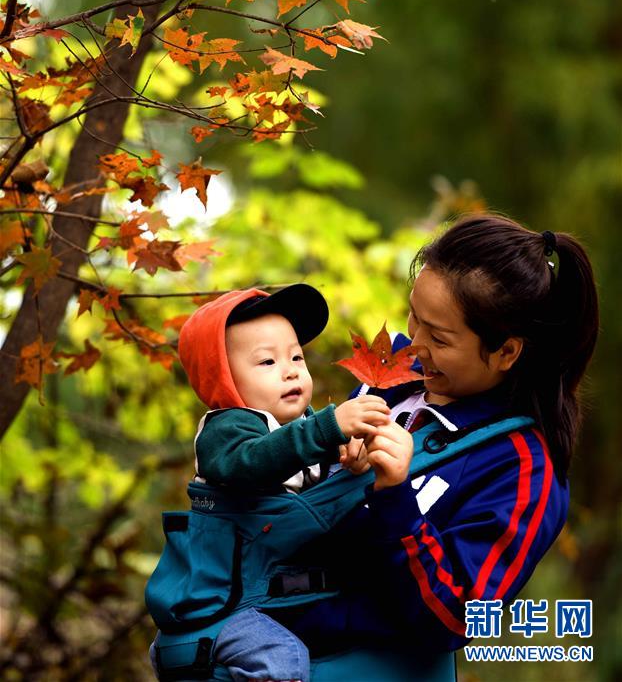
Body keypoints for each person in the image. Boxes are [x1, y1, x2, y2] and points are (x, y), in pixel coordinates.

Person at [270, 214, 599, 674]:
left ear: (506, 352)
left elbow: (455, 617)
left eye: (439, 338)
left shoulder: (523, 471)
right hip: (266, 641)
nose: (414, 345)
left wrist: (396, 498)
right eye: (413, 315)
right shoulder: (386, 386)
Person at [169, 283, 391, 682]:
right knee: (281, 661)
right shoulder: (226, 429)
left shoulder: (303, 426)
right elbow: (252, 463)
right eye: (267, 362)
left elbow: (312, 458)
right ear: (223, 379)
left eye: (296, 356)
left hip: (281, 598)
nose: (290, 370)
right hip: (230, 609)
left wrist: (351, 459)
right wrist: (329, 429)